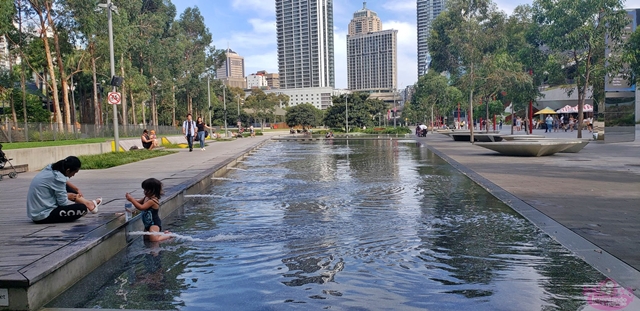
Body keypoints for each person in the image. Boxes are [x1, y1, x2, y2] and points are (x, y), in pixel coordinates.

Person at [27, 156, 101, 224]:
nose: (73, 175)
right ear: (68, 170)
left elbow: (63, 182)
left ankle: (89, 203)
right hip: (43, 216)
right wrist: (68, 196)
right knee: (82, 209)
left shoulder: (51, 168)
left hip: (37, 211)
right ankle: (88, 204)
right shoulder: (58, 180)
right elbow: (63, 204)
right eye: (74, 172)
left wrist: (75, 189)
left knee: (70, 189)